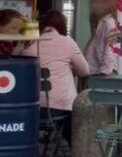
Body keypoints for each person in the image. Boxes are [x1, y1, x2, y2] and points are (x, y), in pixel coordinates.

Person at [27, 10, 89, 144]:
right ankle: (79, 156)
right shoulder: (68, 43)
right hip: (59, 108)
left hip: (29, 108)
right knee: (73, 121)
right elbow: (84, 71)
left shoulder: (28, 42)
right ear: (63, 27)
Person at [84, 0, 121, 76]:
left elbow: (110, 50)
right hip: (93, 70)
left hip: (101, 73)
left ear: (107, 4)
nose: (93, 5)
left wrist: (104, 73)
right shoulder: (100, 22)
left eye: (97, 2)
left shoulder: (109, 23)